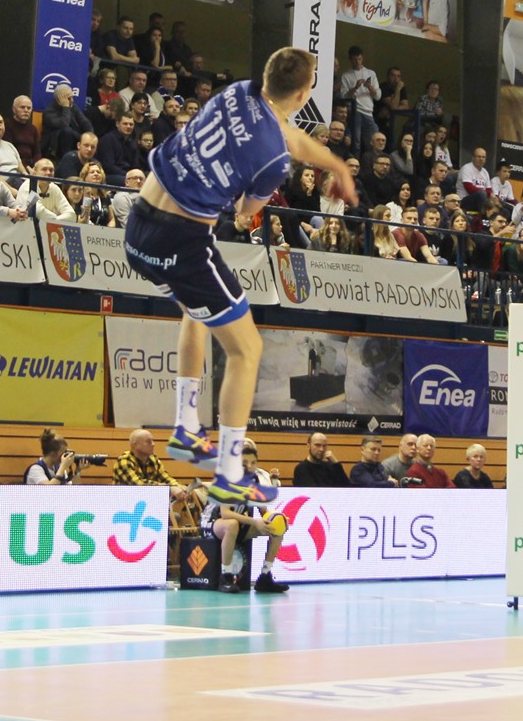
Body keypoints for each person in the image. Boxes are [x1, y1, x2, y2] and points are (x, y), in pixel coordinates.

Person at [123, 47, 356, 505]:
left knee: (196, 312)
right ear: (304, 94)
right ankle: (230, 473)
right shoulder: (273, 160)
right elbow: (247, 210)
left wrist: (335, 164)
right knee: (247, 349)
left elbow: (288, 134)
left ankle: (187, 429)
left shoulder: (236, 93)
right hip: (182, 241)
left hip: (139, 225)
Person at [206, 439, 289, 594]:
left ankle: (265, 576)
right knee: (232, 524)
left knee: (278, 526)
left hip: (237, 525)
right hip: (213, 523)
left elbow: (262, 510)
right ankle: (226, 577)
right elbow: (225, 513)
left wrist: (275, 519)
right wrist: (254, 522)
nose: (249, 466)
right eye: (244, 463)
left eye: (253, 463)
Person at [112, 429, 190, 504]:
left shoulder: (153, 459)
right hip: (124, 504)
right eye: (148, 441)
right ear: (135, 445)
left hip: (145, 503)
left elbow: (164, 477)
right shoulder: (124, 461)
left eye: (153, 441)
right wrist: (169, 489)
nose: (153, 444)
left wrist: (178, 486)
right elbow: (138, 485)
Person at [25, 428, 95, 485]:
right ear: (53, 454)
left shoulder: (58, 468)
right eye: (63, 452)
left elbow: (73, 490)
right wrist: (63, 466)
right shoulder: (35, 469)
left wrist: (78, 471)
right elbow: (48, 490)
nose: (65, 455)